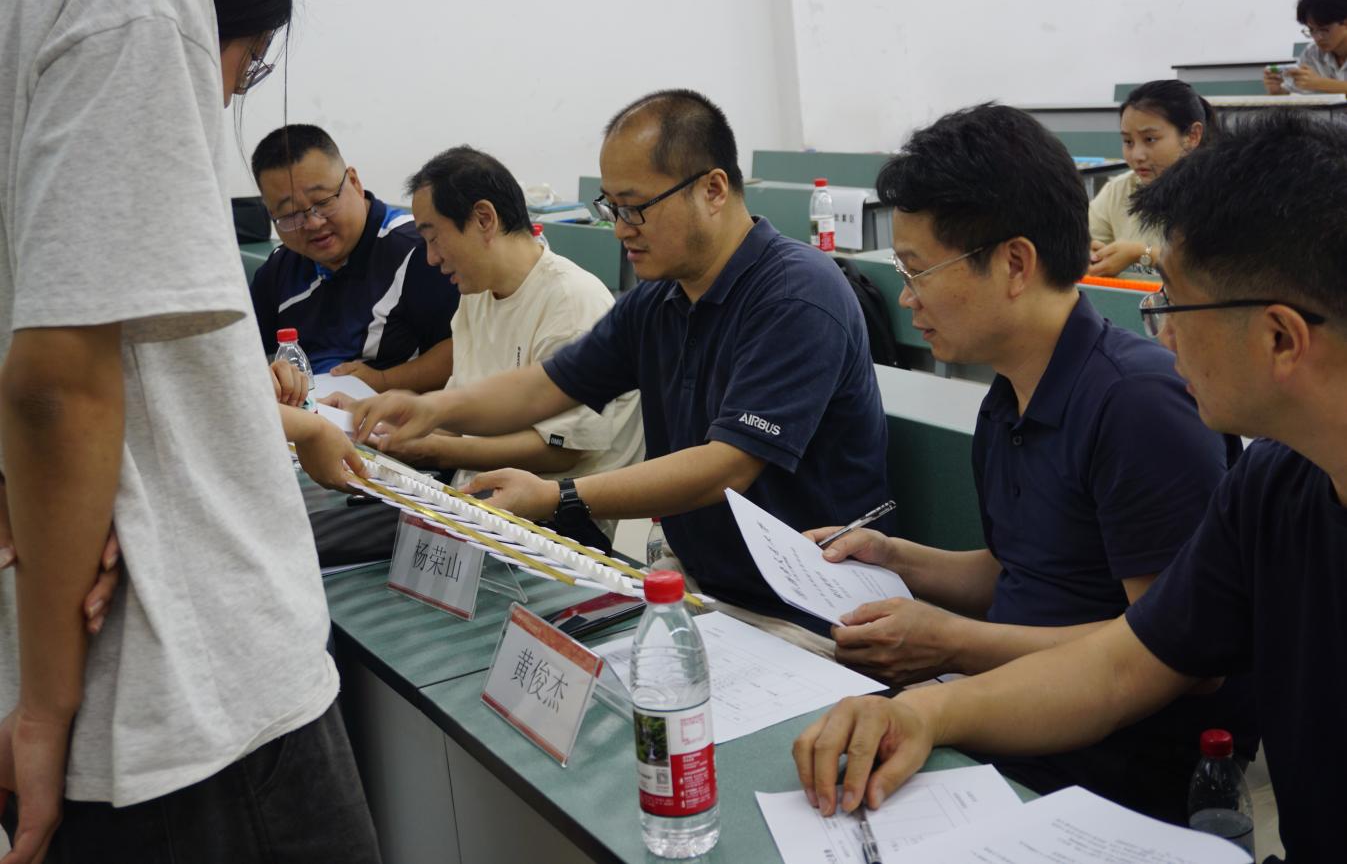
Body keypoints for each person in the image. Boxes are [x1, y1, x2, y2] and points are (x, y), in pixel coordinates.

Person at [793, 110, 1344, 862]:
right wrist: (929, 711)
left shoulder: (1141, 404)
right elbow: (1124, 663)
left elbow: (1168, 673)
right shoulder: (1272, 483)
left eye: (1173, 303)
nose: (1163, 332)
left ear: (1280, 337)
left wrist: (949, 657)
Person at [0, 0, 380, 862]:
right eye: (247, 66)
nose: (225, 95)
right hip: (184, 688)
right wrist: (47, 709)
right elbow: (60, 389)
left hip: (81, 653)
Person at [351, 89, 892, 642]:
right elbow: (545, 387)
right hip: (702, 585)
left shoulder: (795, 294)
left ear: (712, 190)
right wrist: (431, 408)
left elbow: (727, 467)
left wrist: (558, 496)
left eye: (634, 208)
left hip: (806, 605)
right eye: (611, 207)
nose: (619, 229)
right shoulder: (660, 299)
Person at [329, 145, 644, 545]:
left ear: (484, 219)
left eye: (434, 238)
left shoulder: (571, 300)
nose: (430, 258)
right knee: (333, 532)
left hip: (554, 523)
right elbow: (461, 416)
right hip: (472, 499)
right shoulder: (475, 294)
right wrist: (383, 424)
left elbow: (562, 451)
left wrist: (434, 449)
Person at [250, 123, 459, 392]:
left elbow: (463, 348)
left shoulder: (419, 251)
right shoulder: (281, 268)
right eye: (290, 215)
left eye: (323, 202)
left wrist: (382, 382)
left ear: (354, 182)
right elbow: (241, 348)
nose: (313, 223)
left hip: (393, 409)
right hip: (310, 409)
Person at [1088, 81, 1214, 278]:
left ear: (1192, 136)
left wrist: (1143, 253)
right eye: (1128, 141)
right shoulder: (1120, 190)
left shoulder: (1223, 194)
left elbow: (1220, 274)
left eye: (1150, 139)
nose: (1137, 155)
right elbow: (1085, 241)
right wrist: (1087, 253)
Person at [1264, 0, 1347, 95]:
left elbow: (1316, 83)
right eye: (1311, 30)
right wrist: (1278, 91)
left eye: (1324, 30)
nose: (1318, 37)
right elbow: (1294, 94)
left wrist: (1321, 84)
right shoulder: (1312, 52)